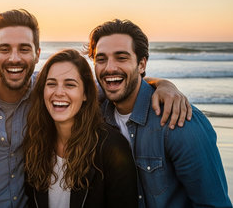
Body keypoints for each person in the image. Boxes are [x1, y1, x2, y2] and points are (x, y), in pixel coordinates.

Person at [0, 9, 192, 208]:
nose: (14, 58)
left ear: (37, 53)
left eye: (24, 49)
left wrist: (161, 85)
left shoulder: (49, 91)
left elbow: (112, 82)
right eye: (5, 49)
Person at [87, 19, 232, 207]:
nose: (109, 67)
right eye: (101, 59)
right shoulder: (96, 113)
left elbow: (213, 204)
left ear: (141, 65)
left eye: (121, 58)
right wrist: (163, 83)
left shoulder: (180, 121)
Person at [23, 49, 138, 207]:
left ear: (85, 93)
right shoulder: (36, 142)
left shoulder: (112, 147)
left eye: (70, 85)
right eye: (51, 84)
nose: (59, 92)